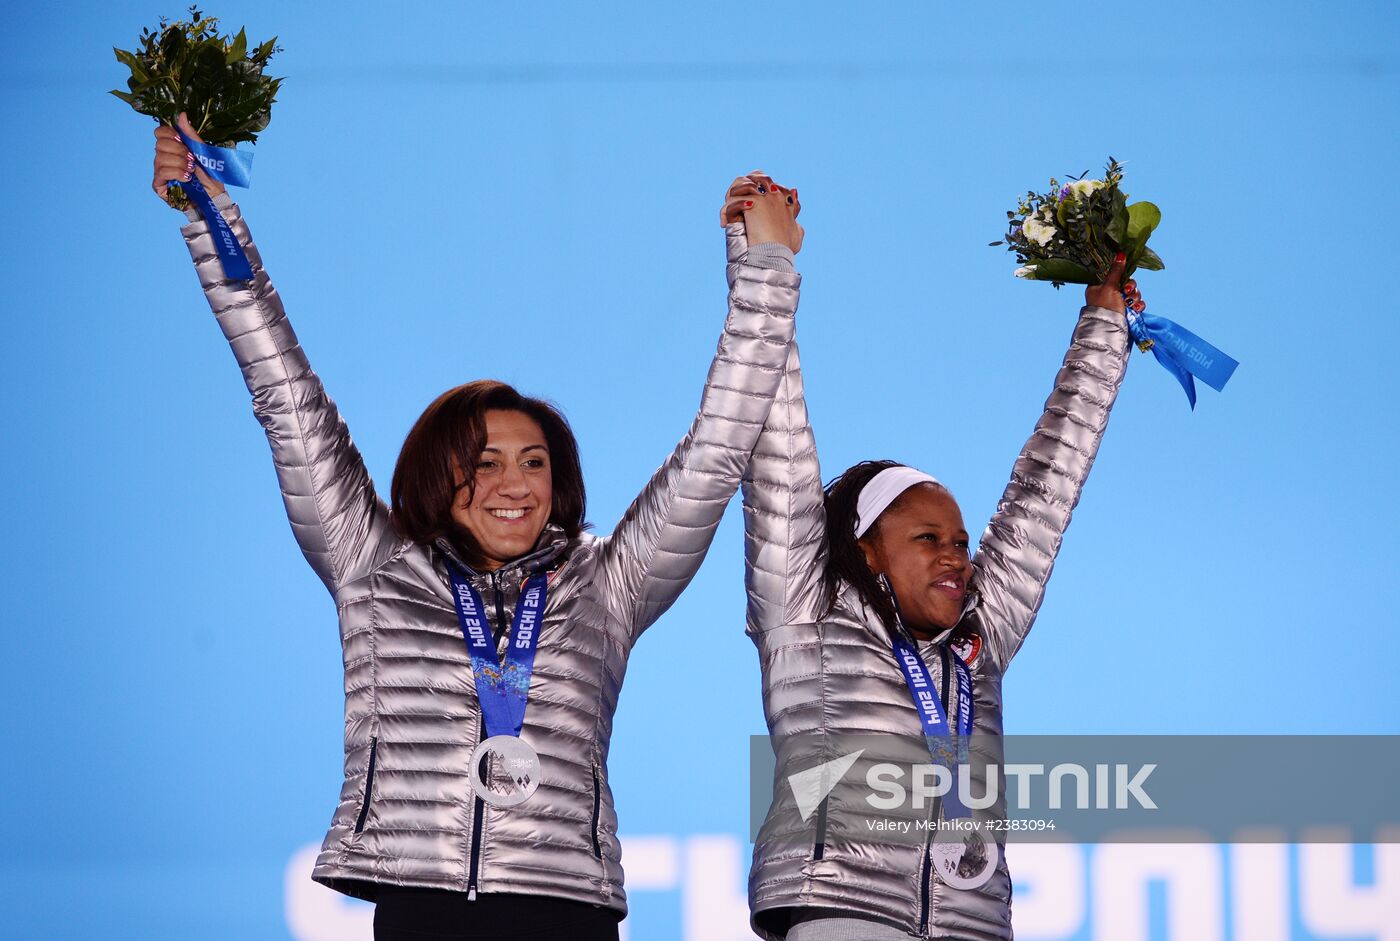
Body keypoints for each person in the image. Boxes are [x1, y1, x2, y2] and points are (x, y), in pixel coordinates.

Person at [152, 118, 803, 939]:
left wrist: (764, 267)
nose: (513, 485)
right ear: (437, 473)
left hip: (566, 909)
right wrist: (205, 212)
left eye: (535, 463)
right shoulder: (373, 564)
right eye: (485, 461)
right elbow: (284, 390)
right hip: (420, 906)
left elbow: (716, 449)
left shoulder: (608, 582)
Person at [737, 170, 1139, 940]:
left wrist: (1104, 325)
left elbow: (1046, 490)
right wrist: (763, 260)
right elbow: (776, 442)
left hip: (971, 924)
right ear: (867, 549)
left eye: (959, 541)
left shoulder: (981, 638)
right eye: (927, 539)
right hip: (843, 913)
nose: (957, 557)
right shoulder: (806, 615)